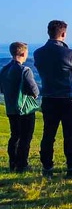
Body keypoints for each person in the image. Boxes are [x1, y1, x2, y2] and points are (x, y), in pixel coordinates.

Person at [33, 20, 72, 178]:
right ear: (63, 34)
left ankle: (47, 168)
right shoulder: (69, 53)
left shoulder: (38, 53)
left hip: (49, 98)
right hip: (69, 98)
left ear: (48, 32)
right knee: (70, 135)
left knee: (48, 134)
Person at [0, 42, 40, 173]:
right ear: (23, 53)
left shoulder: (4, 70)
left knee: (15, 136)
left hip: (11, 108)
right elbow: (35, 91)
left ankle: (13, 164)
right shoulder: (25, 71)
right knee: (25, 137)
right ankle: (22, 164)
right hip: (25, 110)